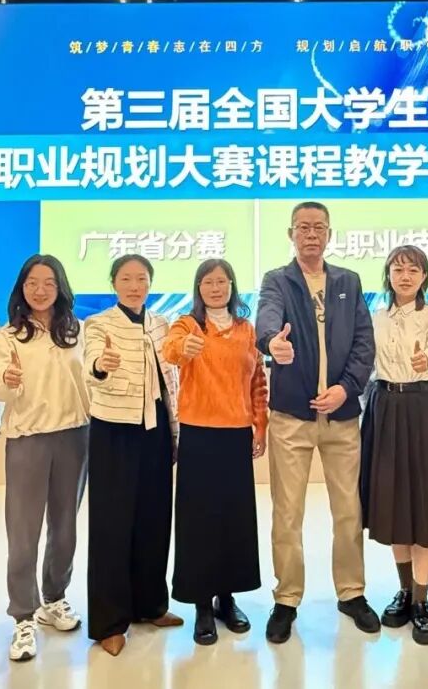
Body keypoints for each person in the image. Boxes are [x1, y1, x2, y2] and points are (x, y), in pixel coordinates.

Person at [255, 201, 379, 644]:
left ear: (329, 233)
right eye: (303, 227)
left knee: (348, 510)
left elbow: (364, 341)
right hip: (292, 415)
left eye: (319, 227)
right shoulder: (278, 280)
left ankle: (352, 592)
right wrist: (273, 343)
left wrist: (347, 388)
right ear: (291, 234)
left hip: (341, 416)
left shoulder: (348, 281)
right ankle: (287, 598)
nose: (311, 234)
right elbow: (267, 319)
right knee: (287, 512)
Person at [361, 245, 428, 646]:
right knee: (394, 504)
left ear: (424, 277)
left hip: (423, 409)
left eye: (413, 270)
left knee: (425, 505)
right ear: (388, 275)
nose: (405, 276)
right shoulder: (373, 318)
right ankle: (404, 592)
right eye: (398, 269)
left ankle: (422, 602)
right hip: (383, 408)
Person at [0, 254, 89, 661]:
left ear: (60, 288)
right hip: (28, 440)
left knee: (65, 528)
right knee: (23, 533)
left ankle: (54, 598)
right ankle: (23, 615)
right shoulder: (8, 337)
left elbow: (92, 379)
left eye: (48, 283)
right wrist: (6, 380)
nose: (40, 290)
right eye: (32, 283)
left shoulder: (78, 331)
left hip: (75, 436)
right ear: (21, 289)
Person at [161, 259, 267, 646]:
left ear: (232, 286)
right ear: (198, 288)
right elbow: (171, 351)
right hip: (199, 435)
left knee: (234, 520)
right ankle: (202, 605)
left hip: (236, 435)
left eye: (222, 281)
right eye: (208, 282)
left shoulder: (246, 329)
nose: (216, 288)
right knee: (199, 522)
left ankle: (227, 598)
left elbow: (257, 381)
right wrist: (183, 348)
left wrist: (260, 424)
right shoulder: (186, 325)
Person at [83, 254, 182, 656]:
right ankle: (109, 622)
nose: (135, 286)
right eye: (126, 278)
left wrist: (175, 432)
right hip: (114, 430)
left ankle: (150, 604)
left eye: (142, 279)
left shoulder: (161, 323)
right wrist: (101, 365)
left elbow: (172, 376)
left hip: (155, 430)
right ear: (114, 283)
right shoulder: (98, 323)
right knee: (112, 524)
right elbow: (92, 364)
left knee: (154, 519)